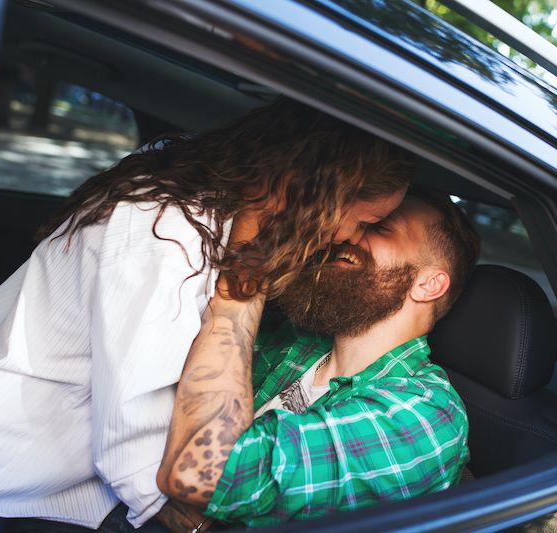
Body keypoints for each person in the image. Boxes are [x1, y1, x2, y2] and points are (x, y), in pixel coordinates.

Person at [0, 97, 413, 530]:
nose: (353, 238)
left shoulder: (190, 192)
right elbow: (133, 446)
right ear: (319, 195)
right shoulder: (168, 234)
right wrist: (194, 520)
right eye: (365, 221)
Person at [157, 190, 481, 529]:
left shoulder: (424, 415)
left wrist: (241, 286)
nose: (350, 236)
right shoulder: (297, 339)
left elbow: (202, 473)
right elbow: (168, 392)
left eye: (380, 228)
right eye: (362, 222)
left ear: (429, 284)